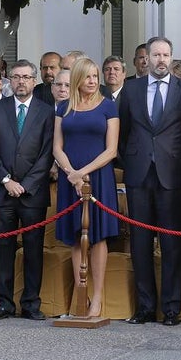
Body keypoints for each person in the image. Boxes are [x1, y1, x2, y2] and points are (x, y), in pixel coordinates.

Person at [118, 36, 181, 326]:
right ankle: (144, 307)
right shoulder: (131, 89)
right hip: (139, 175)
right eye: (155, 55)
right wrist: (132, 160)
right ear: (146, 59)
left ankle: (171, 308)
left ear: (171, 57)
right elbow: (122, 132)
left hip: (172, 175)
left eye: (165, 54)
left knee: (171, 244)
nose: (160, 60)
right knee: (140, 243)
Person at [0, 60, 55, 321]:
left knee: (34, 249)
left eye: (26, 77)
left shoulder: (47, 112)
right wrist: (5, 180)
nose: (21, 81)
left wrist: (27, 184)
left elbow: (47, 153)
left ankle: (31, 304)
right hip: (3, 191)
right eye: (16, 77)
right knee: (3, 249)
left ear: (34, 81)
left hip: (33, 193)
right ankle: (4, 304)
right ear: (8, 81)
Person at [52, 57, 118, 318]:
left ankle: (98, 298)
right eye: (88, 76)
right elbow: (57, 146)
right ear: (78, 78)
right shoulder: (64, 108)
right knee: (75, 235)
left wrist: (83, 173)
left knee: (98, 236)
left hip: (98, 176)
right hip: (71, 179)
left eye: (95, 76)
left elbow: (111, 150)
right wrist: (72, 175)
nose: (92, 81)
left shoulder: (108, 107)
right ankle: (82, 293)